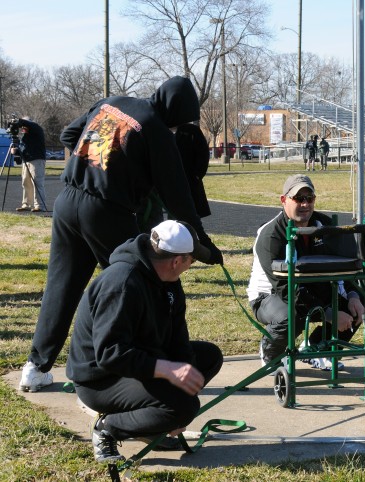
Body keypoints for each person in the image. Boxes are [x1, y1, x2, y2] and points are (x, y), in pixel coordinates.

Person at [19, 76, 224, 393]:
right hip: (106, 212)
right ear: (174, 112)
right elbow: (179, 200)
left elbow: (69, 134)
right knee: (143, 283)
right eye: (180, 122)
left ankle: (35, 367)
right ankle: (151, 370)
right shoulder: (156, 131)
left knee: (61, 286)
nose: (177, 129)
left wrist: (97, 166)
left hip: (67, 201)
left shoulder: (110, 103)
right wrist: (204, 247)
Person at [66, 220, 224, 462]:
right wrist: (168, 373)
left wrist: (182, 373)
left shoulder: (169, 281)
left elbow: (178, 336)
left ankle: (151, 424)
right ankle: (107, 428)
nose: (190, 266)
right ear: (176, 261)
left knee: (208, 357)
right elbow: (110, 354)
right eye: (191, 260)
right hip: (101, 379)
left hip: (141, 358)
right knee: (183, 407)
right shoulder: (121, 284)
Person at [246, 174, 365, 370]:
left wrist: (353, 295)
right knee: (293, 314)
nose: (305, 204)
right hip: (271, 296)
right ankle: (271, 352)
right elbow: (284, 289)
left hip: (313, 289)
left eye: (309, 199)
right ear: (284, 200)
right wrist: (330, 314)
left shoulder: (324, 225)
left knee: (362, 301)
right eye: (298, 199)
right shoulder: (270, 235)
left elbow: (343, 267)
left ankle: (317, 349)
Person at [12, 117, 47, 213]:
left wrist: (18, 121)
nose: (22, 128)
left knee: (37, 182)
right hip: (26, 160)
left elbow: (28, 124)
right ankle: (26, 204)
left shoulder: (36, 128)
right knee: (25, 182)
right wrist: (16, 151)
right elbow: (24, 149)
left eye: (24, 126)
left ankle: (40, 205)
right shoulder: (25, 136)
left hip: (37, 160)